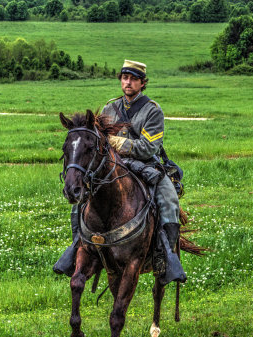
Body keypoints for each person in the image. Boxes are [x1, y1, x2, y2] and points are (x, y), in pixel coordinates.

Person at [53, 60, 186, 285]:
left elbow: (148, 148)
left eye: (134, 79)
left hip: (144, 164)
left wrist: (116, 141)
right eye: (125, 78)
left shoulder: (152, 111)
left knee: (168, 198)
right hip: (111, 166)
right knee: (82, 200)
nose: (128, 82)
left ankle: (166, 255)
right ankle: (77, 245)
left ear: (143, 83)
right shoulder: (109, 108)